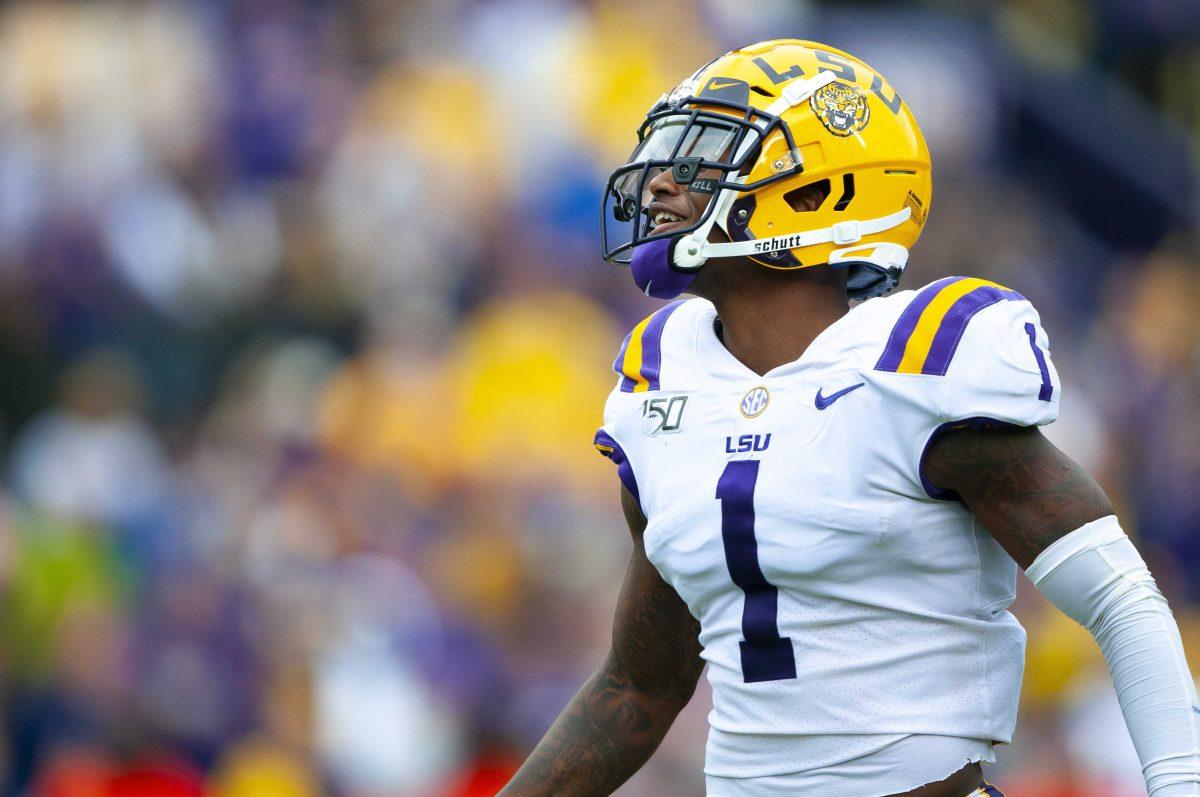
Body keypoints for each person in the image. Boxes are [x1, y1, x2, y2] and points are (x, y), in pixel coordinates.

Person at [499, 39, 1200, 797]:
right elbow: (639, 685)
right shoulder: (665, 381)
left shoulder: (918, 365)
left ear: (816, 195)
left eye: (706, 158)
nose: (663, 181)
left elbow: (1121, 597)